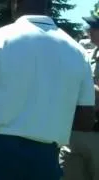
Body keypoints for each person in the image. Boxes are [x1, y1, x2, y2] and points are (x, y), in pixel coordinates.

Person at [0, 0, 95, 179]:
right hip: (45, 159)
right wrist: (47, 123)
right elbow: (86, 120)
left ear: (15, 3)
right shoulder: (78, 52)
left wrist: (3, 117)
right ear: (48, 5)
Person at [60, 9, 99, 180]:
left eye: (94, 27)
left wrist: (81, 84)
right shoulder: (87, 56)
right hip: (75, 132)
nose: (88, 30)